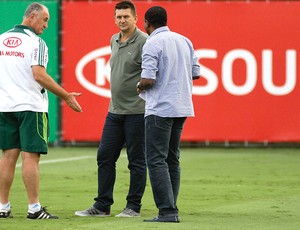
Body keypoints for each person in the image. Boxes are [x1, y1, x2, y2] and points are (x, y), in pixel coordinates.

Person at [0, 2, 82, 219]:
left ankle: (2, 206)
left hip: (5, 106)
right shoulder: (36, 42)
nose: (46, 25)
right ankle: (34, 208)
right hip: (30, 107)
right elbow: (38, 75)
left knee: (8, 156)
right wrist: (65, 95)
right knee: (30, 157)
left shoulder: (1, 38)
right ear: (32, 16)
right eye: (45, 19)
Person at [75, 1, 147, 218]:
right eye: (119, 17)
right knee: (105, 156)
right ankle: (102, 205)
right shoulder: (113, 39)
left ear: (135, 17)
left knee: (136, 161)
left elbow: (153, 73)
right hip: (114, 111)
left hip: (137, 111)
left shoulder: (145, 42)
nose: (122, 20)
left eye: (126, 16)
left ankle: (133, 207)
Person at [136, 6, 200, 223]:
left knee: (156, 159)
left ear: (146, 23)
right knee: (172, 158)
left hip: (160, 108)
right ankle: (172, 207)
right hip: (181, 105)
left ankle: (167, 211)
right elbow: (196, 73)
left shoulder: (152, 43)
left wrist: (139, 86)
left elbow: (148, 79)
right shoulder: (184, 40)